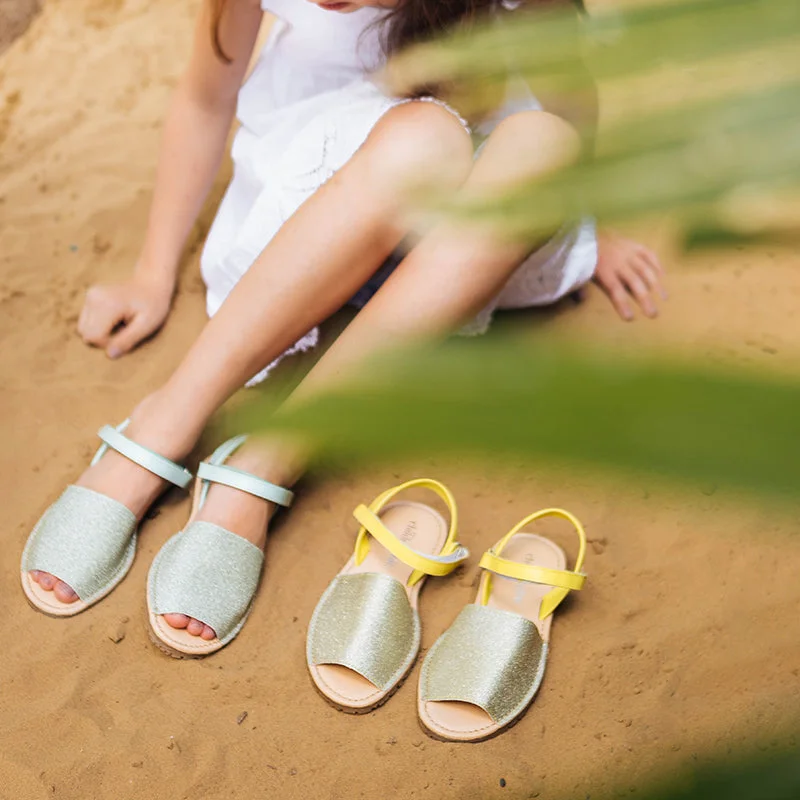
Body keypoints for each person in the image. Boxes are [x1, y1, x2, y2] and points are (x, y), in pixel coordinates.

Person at [25, 0, 665, 645]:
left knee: (544, 143)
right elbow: (205, 94)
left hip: (461, 244)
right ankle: (167, 421)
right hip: (324, 203)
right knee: (422, 138)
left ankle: (268, 462)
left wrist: (592, 222)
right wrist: (152, 272)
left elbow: (570, 93)